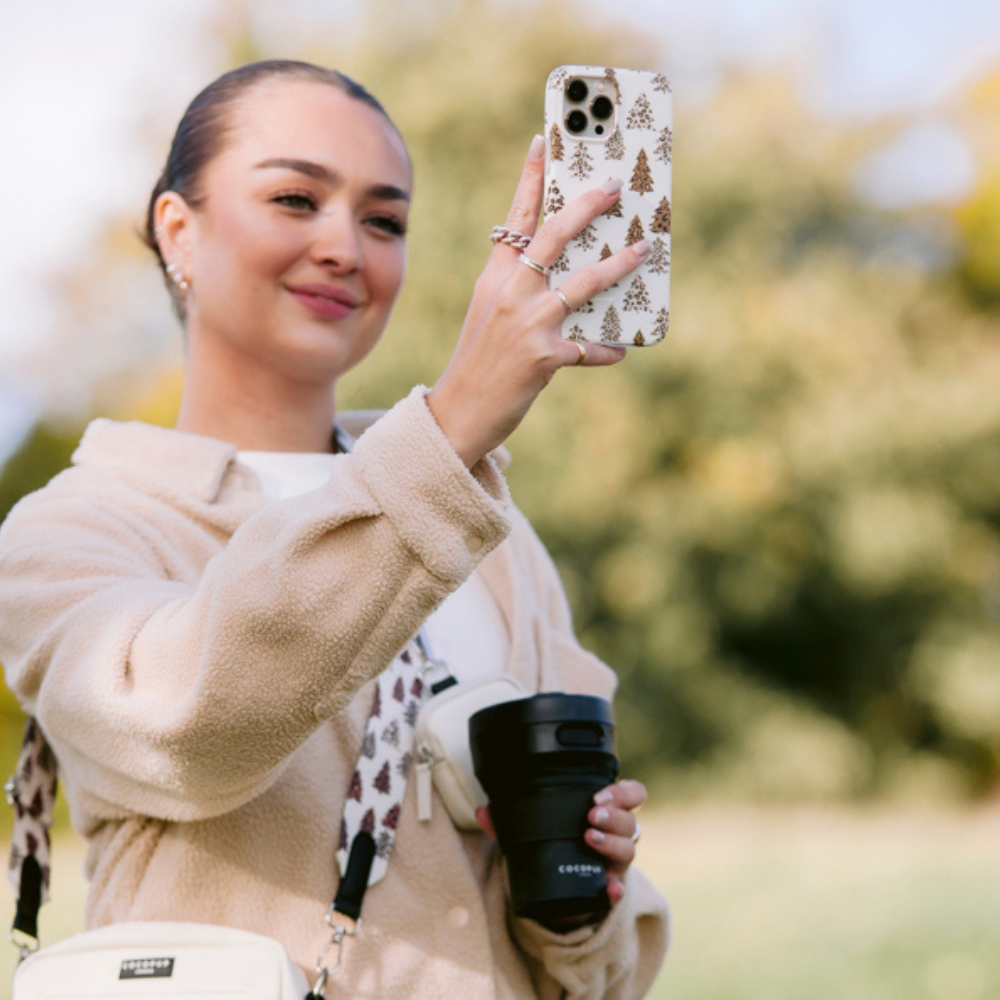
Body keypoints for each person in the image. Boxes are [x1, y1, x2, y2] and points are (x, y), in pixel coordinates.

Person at [0, 60, 668, 999]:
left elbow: (601, 968)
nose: (345, 247)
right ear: (177, 231)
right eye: (294, 197)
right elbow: (186, 730)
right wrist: (457, 417)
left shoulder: (498, 536)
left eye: (384, 220)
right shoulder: (79, 527)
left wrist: (577, 898)